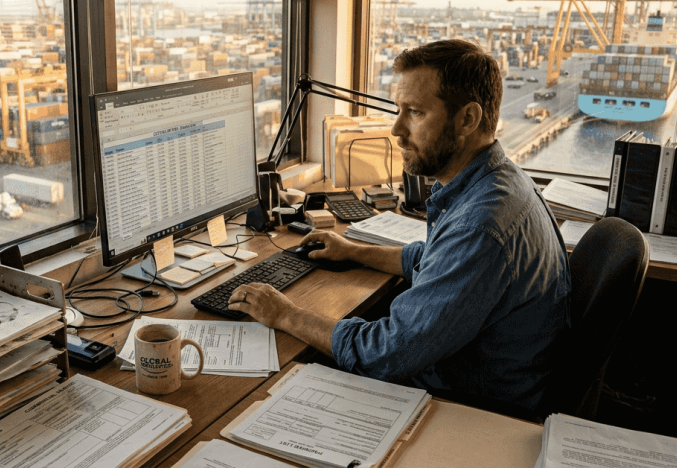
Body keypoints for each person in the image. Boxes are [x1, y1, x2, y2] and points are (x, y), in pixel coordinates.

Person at [228, 39, 570, 411]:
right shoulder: (499, 180)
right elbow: (438, 259)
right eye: (398, 110)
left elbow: (385, 353)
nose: (396, 129)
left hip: (470, 405)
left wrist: (284, 313)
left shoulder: (481, 225)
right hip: (484, 377)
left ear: (468, 119)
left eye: (415, 113)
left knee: (266, 384)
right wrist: (353, 251)